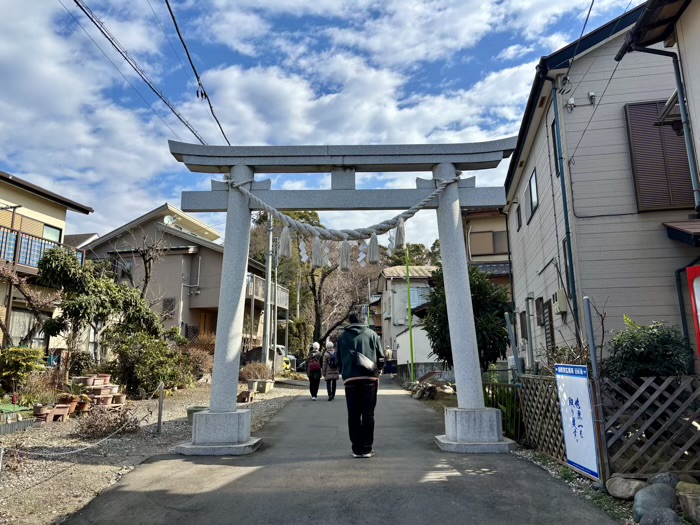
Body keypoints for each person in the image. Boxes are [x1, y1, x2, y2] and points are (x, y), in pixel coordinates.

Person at [337, 308, 384, 458]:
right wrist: (380, 371)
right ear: (363, 320)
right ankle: (367, 448)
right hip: (370, 379)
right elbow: (381, 357)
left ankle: (357, 449)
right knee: (368, 414)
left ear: (350, 321)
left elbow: (337, 360)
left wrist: (344, 372)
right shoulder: (372, 335)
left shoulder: (342, 337)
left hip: (350, 380)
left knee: (353, 415)